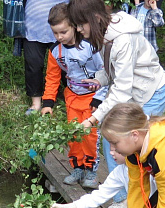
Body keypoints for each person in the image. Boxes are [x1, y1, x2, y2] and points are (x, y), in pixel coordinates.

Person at [67, 0, 165, 208]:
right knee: (113, 142)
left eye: (79, 24)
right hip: (135, 92)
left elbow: (121, 90)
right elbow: (112, 70)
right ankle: (125, 201)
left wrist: (93, 118)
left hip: (151, 92)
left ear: (94, 18)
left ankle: (136, 203)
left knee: (132, 144)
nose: (78, 29)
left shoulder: (122, 38)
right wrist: (98, 79)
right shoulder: (106, 33)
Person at [41, 3, 107, 189]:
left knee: (90, 135)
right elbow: (52, 77)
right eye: (55, 33)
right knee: (73, 134)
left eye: (63, 32)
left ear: (75, 26)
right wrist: (48, 103)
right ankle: (77, 167)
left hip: (92, 97)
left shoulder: (91, 46)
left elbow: (106, 72)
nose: (59, 37)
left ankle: (91, 171)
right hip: (72, 96)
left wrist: (99, 98)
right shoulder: (56, 51)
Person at [23, 0, 68, 115]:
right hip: (33, 24)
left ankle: (72, 96)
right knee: (33, 64)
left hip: (63, 25)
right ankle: (36, 103)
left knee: (66, 64)